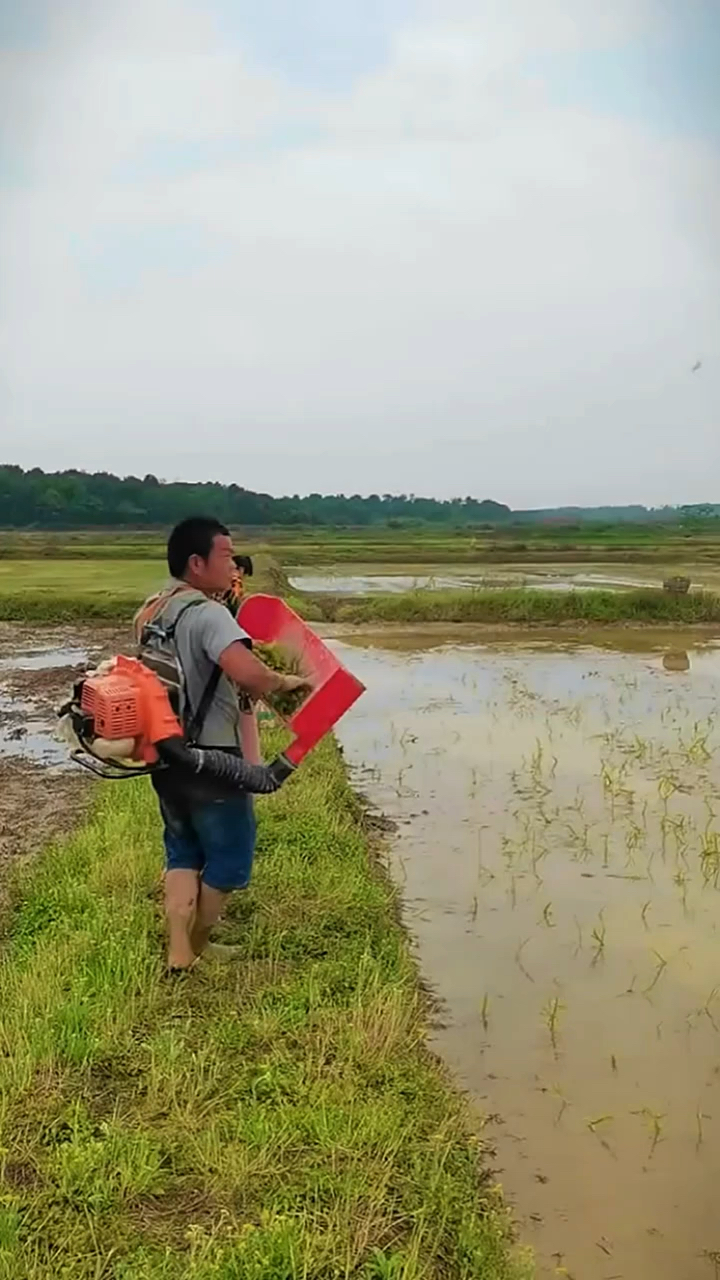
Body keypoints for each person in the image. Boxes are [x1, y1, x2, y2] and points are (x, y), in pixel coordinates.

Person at [136, 517, 308, 973]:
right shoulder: (209, 614)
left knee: (182, 848)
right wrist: (282, 680)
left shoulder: (156, 607)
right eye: (227, 555)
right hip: (212, 760)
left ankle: (177, 952)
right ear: (197, 562)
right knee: (228, 860)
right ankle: (195, 945)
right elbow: (248, 671)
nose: (233, 564)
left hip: (164, 753)